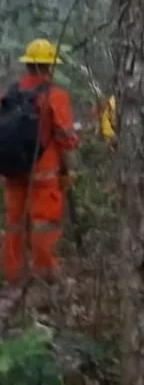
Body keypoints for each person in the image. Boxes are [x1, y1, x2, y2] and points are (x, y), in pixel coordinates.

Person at [1, 39, 80, 284]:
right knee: (43, 226)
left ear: (28, 65)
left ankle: (13, 277)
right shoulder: (56, 96)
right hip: (44, 176)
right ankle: (46, 277)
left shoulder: (10, 93)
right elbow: (66, 139)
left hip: (12, 172)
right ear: (49, 67)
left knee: (15, 225)